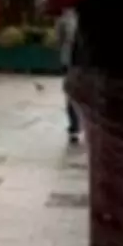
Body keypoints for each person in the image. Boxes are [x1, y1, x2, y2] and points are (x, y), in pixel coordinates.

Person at [55, 8, 81, 144]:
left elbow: (59, 39)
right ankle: (75, 127)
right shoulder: (66, 16)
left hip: (76, 60)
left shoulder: (66, 16)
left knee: (73, 94)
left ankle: (76, 127)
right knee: (73, 94)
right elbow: (59, 38)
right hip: (74, 60)